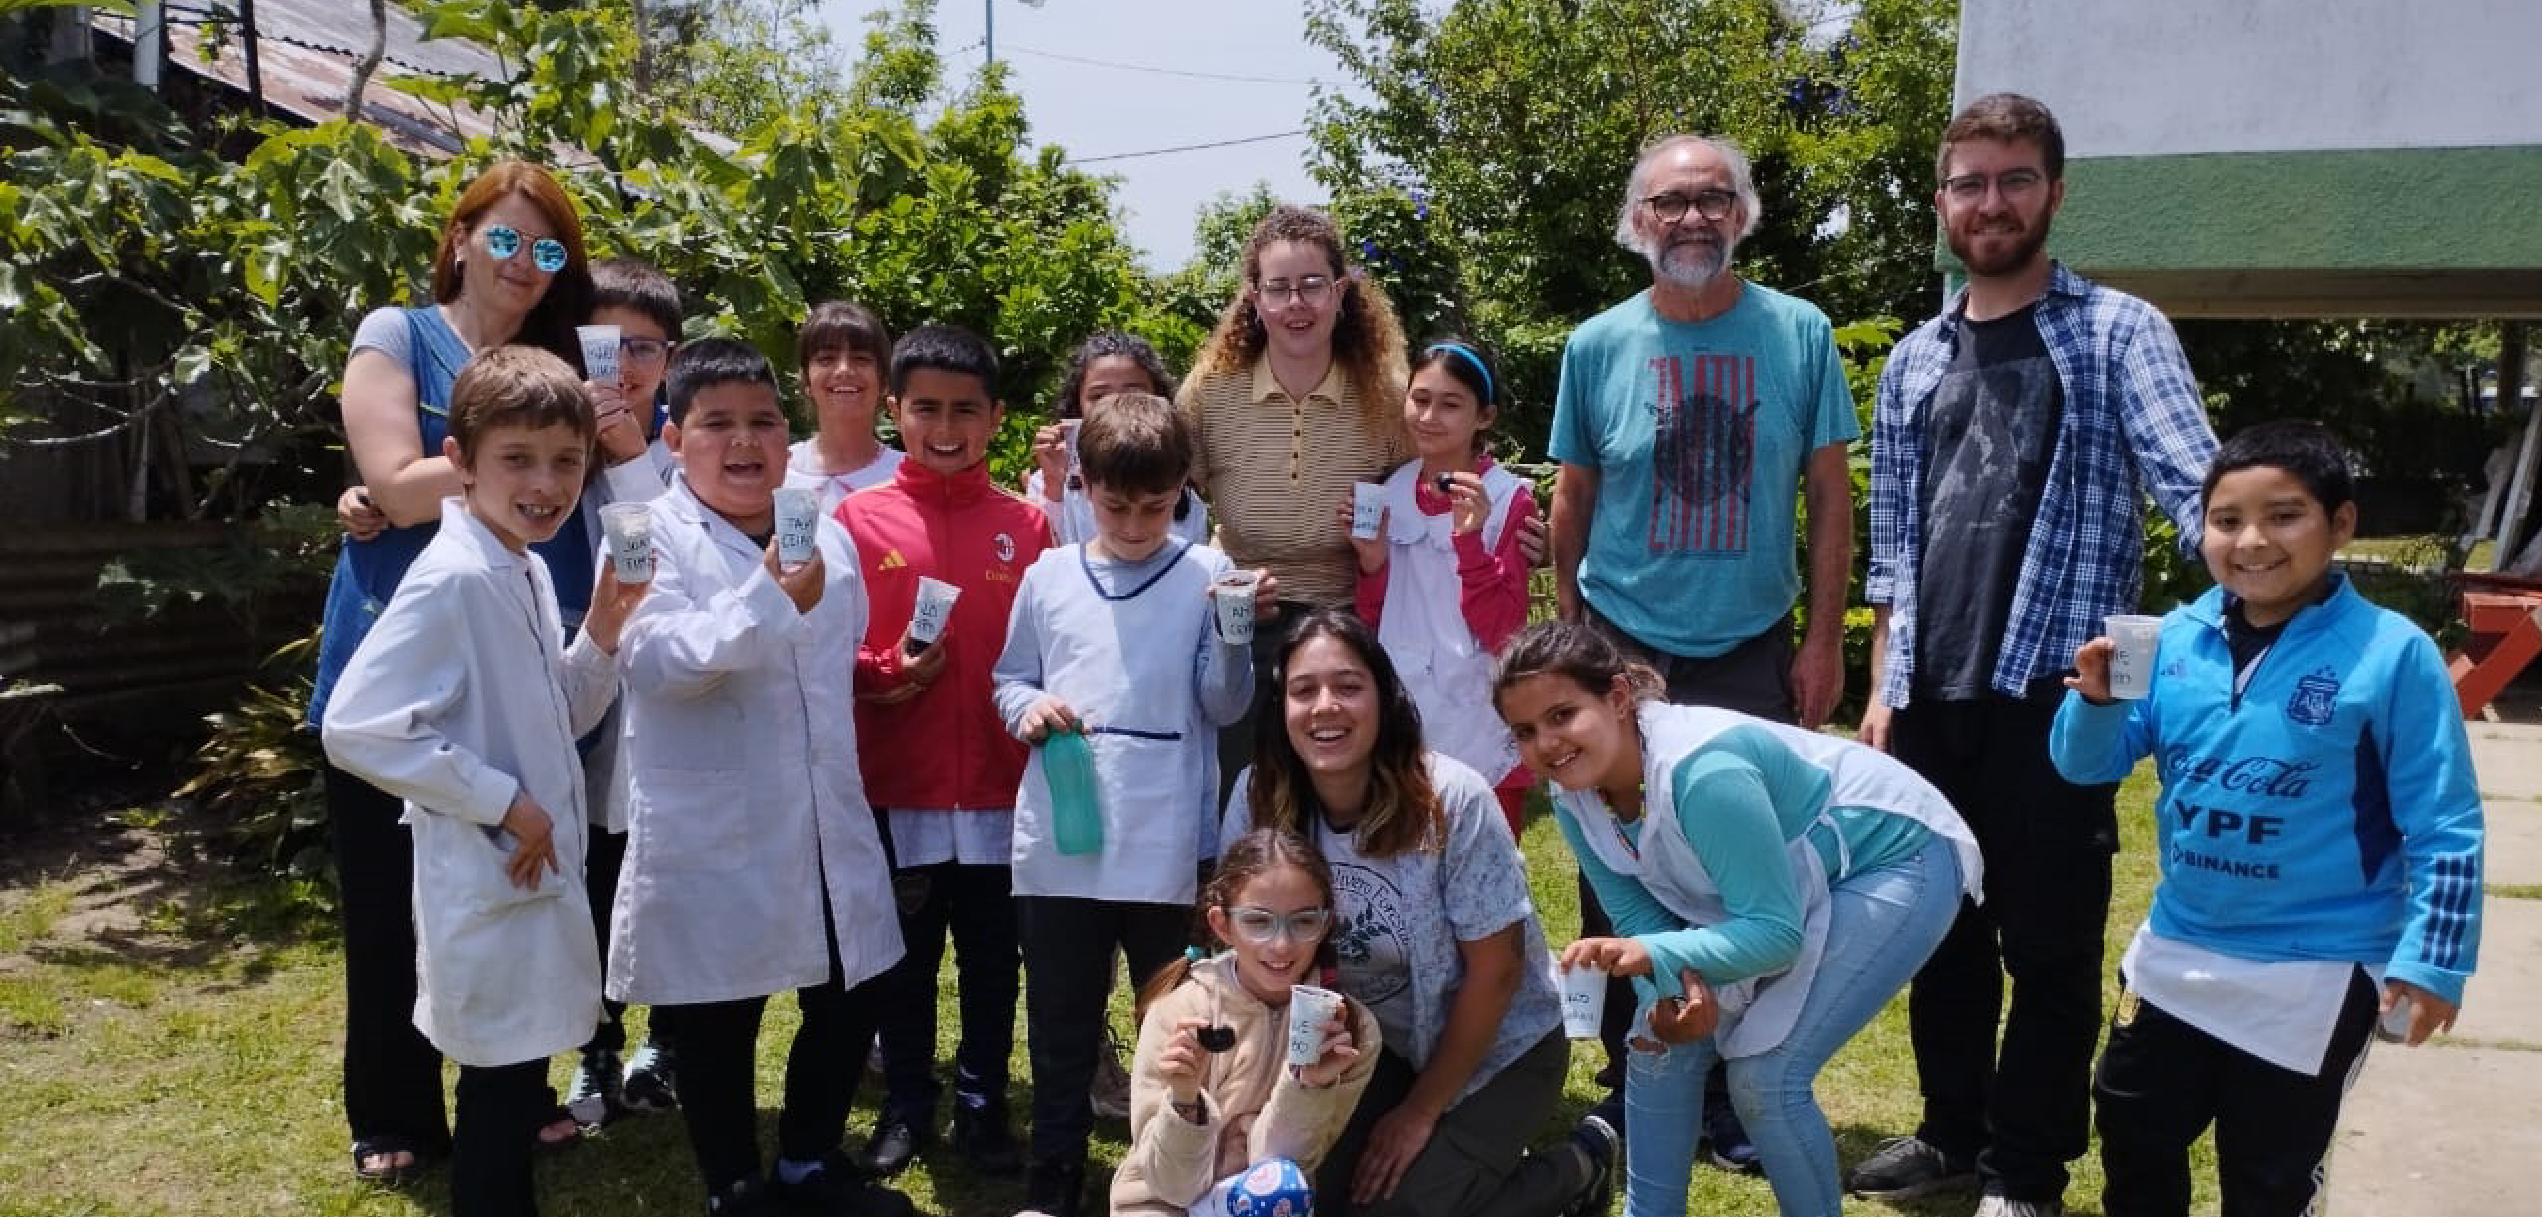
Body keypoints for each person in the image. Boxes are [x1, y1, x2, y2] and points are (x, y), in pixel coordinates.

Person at [1848, 94, 2221, 1217]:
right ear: (1941, 202)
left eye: (2014, 179)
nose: (1991, 201)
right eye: (1969, 182)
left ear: (2054, 191)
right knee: (1939, 934)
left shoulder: (2116, 331)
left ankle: (2026, 1169)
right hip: (1929, 696)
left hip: (2058, 697)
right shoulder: (1912, 359)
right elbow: (1893, 549)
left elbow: (2196, 488)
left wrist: (2255, 617)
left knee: (2049, 952)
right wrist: (1881, 688)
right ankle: (1949, 1135)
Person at [2048, 420, 2485, 1217]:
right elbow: (2086, 765)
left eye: (2284, 515)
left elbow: (2445, 821)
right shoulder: (2169, 640)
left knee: (2269, 1178)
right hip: (2176, 953)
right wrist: (2099, 703)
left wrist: (2433, 961)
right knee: (2133, 1135)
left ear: (2341, 523)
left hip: (2315, 969)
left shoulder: (2392, 654)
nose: (2251, 541)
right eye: (2225, 520)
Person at [1547, 131, 1860, 1165]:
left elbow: (1825, 496)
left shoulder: (1799, 332)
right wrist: (1569, 643)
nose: (1691, 218)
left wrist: (1821, 638)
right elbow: (1573, 496)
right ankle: (1640, 1076)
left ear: (1742, 214)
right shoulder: (1596, 344)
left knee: (1744, 877)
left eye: (1713, 199)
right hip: (1621, 641)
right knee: (1620, 868)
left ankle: (1731, 1084)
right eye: (1670, 202)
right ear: (1637, 221)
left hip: (1746, 645)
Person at [309, 159, 598, 1184]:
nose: (525, 263)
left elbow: (589, 477)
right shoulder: (401, 333)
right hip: (405, 636)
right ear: (462, 233)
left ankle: (512, 1086)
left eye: (549, 248)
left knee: (504, 892)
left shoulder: (557, 356)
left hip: (528, 636)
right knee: (397, 901)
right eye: (508, 238)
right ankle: (394, 1107)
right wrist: (496, 458)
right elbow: (390, 477)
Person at [1494, 620, 1982, 1217]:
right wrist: (1671, 995)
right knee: (1655, 1041)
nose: (1546, 742)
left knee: (1766, 1078)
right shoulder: (1575, 798)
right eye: (1525, 731)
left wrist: (1657, 958)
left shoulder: (1704, 772)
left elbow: (1774, 934)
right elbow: (1639, 918)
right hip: (1786, 892)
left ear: (1618, 698)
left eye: (1562, 715)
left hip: (1899, 855)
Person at [320, 345, 646, 1216]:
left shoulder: (523, 564)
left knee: (511, 1081)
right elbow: (355, 726)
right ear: (458, 463)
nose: (546, 483)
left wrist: (605, 632)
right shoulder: (455, 577)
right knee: (498, 1100)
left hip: (530, 879)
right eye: (516, 459)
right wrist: (500, 800)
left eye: (567, 460)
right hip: (491, 873)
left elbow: (554, 715)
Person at [606, 339, 914, 1217]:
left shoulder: (816, 521)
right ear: (674, 437)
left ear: (790, 436)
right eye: (718, 424)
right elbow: (659, 659)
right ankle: (733, 1184)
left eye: (764, 422)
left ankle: (809, 1160)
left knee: (853, 987)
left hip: (822, 806)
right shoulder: (644, 533)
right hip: (715, 821)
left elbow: (832, 653)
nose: (744, 442)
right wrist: (770, 597)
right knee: (717, 1013)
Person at [1222, 610, 1612, 1217]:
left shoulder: (1452, 800)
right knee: (1306, 1198)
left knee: (1403, 1211)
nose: (1326, 705)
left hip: (1500, 1047)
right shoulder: (1258, 797)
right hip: (1367, 1049)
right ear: (1281, 709)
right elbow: (1245, 956)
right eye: (1304, 690)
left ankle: (1577, 1168)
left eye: (1349, 686)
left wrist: (1420, 1112)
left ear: (1384, 699)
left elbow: (1498, 973)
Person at [991, 392, 1264, 1217]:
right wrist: (1026, 709)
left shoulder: (1206, 573)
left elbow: (1222, 705)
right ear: (1081, 485)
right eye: (1116, 505)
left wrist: (1234, 633)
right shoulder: (1048, 575)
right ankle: (1054, 1176)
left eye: (1157, 506)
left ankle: (1166, 1176)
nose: (1138, 523)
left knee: (1173, 1022)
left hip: (1163, 840)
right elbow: (1010, 676)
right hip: (1062, 841)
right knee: (1063, 1021)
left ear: (1183, 489)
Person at [841, 324, 1054, 1180]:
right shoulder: (856, 521)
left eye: (965, 409)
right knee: (907, 959)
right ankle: (906, 1102)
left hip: (1004, 790)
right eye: (925, 406)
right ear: (894, 410)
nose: (945, 425)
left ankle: (982, 1101)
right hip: (903, 782)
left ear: (996, 417)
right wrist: (883, 670)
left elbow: (1047, 653)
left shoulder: (1027, 525)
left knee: (994, 959)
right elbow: (827, 648)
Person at [1112, 828, 1383, 1217]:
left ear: (1325, 924)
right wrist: (1185, 1102)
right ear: (1223, 925)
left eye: (1303, 922)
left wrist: (1309, 1086)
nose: (1281, 945)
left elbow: (1284, 1173)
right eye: (1258, 922)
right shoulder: (1179, 1010)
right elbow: (1170, 1186)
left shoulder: (1352, 1030)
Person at [564, 255, 684, 1122]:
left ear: (669, 358)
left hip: (666, 704)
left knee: (669, 881)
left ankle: (666, 1048)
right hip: (571, 692)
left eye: (641, 347)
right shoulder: (548, 439)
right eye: (604, 345)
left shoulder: (687, 444)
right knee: (592, 880)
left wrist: (634, 458)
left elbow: (667, 553)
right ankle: (596, 1050)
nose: (623, 367)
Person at [1348, 338, 1537, 836]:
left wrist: (1471, 542)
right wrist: (1372, 565)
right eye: (1421, 399)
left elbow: (1504, 633)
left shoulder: (1508, 500)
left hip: (1479, 715)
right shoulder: (1388, 492)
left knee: (1483, 882)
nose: (1429, 416)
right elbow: (1372, 620)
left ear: (1484, 417)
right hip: (1402, 712)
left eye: (1451, 404)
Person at [1027, 332, 1210, 550]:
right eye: (1099, 396)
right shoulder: (1048, 482)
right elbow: (1044, 561)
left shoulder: (1181, 492)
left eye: (1134, 393)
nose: (1116, 405)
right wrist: (1053, 489)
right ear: (1078, 404)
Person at [786, 300, 905, 514]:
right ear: (806, 381)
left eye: (861, 359)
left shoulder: (906, 476)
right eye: (826, 359)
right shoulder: (779, 472)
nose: (843, 370)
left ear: (885, 381)